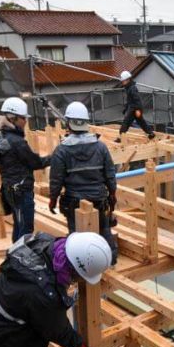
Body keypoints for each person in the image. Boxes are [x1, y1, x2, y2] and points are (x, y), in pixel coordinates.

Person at [49, 102, 119, 262]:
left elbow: (56, 179)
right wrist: (112, 193)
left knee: (76, 236)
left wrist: (53, 199)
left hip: (73, 201)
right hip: (99, 199)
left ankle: (81, 265)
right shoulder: (100, 147)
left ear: (69, 123)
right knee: (103, 229)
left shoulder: (62, 151)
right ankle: (111, 259)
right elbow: (110, 174)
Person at [0, 97, 49, 241]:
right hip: (20, 191)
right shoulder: (16, 141)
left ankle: (15, 254)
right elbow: (35, 162)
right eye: (23, 118)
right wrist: (56, 156)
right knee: (26, 229)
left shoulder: (0, 138)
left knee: (18, 223)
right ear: (13, 119)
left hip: (9, 188)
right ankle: (21, 259)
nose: (25, 121)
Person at [115, 70, 155, 142]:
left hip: (134, 108)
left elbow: (137, 100)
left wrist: (137, 110)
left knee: (126, 122)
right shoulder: (129, 88)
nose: (122, 82)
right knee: (141, 122)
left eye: (123, 81)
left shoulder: (132, 88)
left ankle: (121, 138)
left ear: (128, 80)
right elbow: (130, 100)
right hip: (134, 108)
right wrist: (126, 108)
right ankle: (151, 133)